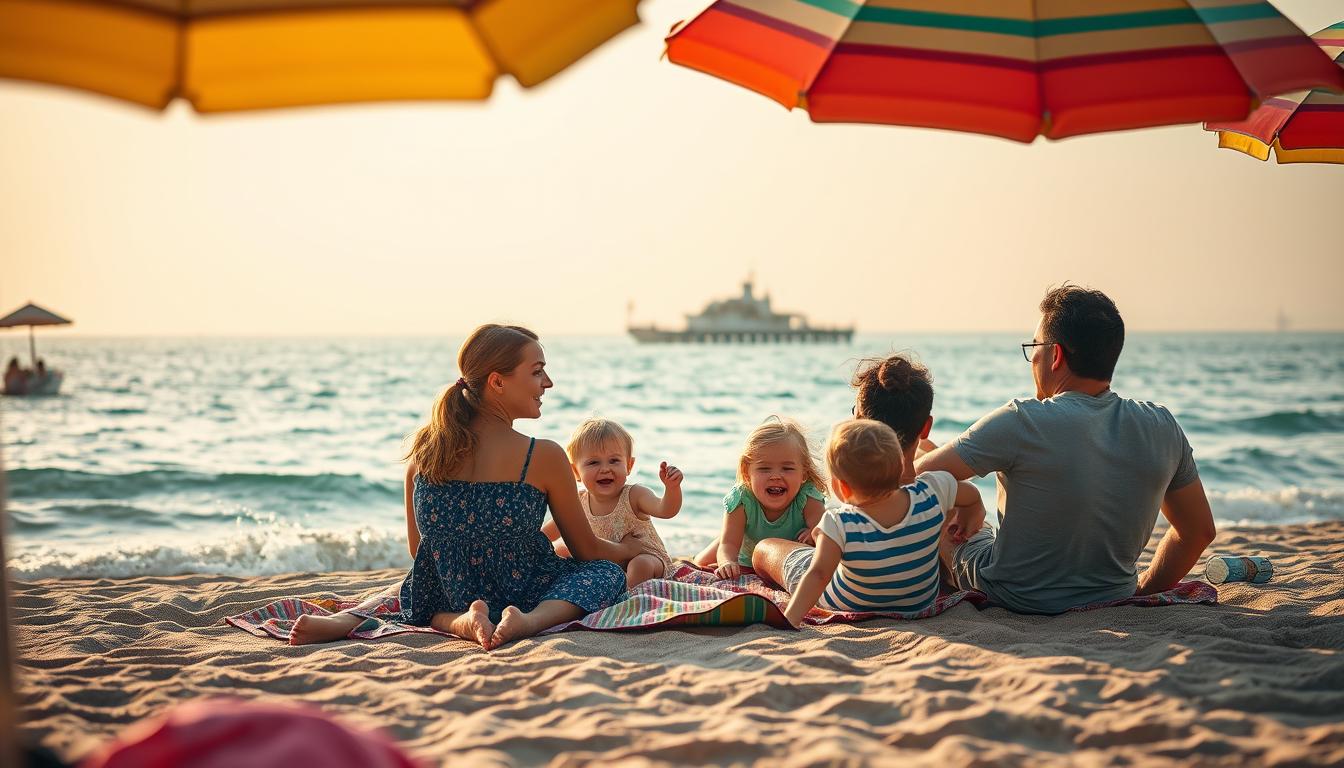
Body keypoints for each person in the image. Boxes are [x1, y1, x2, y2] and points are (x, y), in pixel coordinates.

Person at [289, 324, 642, 649]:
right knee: (605, 575)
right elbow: (586, 550)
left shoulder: (424, 454)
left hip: (451, 592)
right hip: (526, 590)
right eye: (537, 372)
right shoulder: (542, 455)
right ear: (497, 382)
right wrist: (631, 550)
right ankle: (528, 622)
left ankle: (458, 621)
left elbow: (420, 553)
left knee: (416, 590)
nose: (547, 382)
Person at [917, 285, 1217, 614]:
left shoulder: (1022, 420)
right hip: (1113, 593)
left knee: (937, 495)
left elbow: (915, 475)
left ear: (1056, 355)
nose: (1032, 359)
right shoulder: (1162, 426)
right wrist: (1145, 587)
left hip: (1013, 596)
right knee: (934, 459)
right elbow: (1198, 531)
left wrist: (965, 499)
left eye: (1035, 347)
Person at [754, 419, 982, 626]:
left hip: (850, 603)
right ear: (900, 467)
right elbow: (970, 494)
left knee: (765, 549)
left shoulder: (839, 522)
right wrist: (971, 514)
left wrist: (790, 619)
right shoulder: (933, 490)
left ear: (842, 487)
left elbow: (819, 575)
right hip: (918, 602)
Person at [850, 353, 986, 543]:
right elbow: (972, 495)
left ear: (858, 424)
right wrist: (973, 510)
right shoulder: (937, 490)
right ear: (926, 428)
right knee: (926, 452)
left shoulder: (848, 507)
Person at [543, 417, 683, 589]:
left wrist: (672, 488)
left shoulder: (634, 495)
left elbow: (666, 510)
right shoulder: (578, 502)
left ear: (629, 465)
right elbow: (546, 535)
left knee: (640, 565)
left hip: (648, 559)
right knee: (560, 549)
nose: (605, 469)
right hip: (608, 566)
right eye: (593, 462)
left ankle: (626, 601)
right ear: (575, 471)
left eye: (614, 460)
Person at [693, 417, 827, 580]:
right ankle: (735, 534)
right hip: (746, 557)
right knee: (701, 563)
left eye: (787, 468)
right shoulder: (742, 498)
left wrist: (813, 533)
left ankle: (738, 534)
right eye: (764, 469)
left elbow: (824, 532)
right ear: (746, 473)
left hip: (780, 559)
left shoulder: (807, 496)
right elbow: (728, 545)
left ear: (804, 473)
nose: (776, 476)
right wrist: (727, 562)